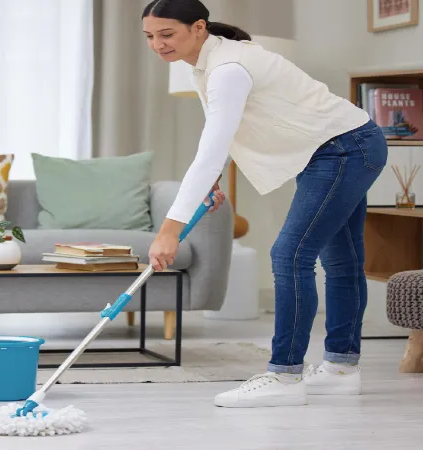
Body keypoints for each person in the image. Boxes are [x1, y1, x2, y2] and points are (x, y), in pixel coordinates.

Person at [143, 0, 388, 408]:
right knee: (341, 260)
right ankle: (341, 369)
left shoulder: (228, 68)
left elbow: (210, 151)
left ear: (199, 27)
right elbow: (220, 134)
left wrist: (170, 231)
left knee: (290, 255)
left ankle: (285, 376)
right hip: (341, 147)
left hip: (344, 149)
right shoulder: (207, 63)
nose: (157, 44)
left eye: (166, 34)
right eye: (150, 36)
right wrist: (212, 181)